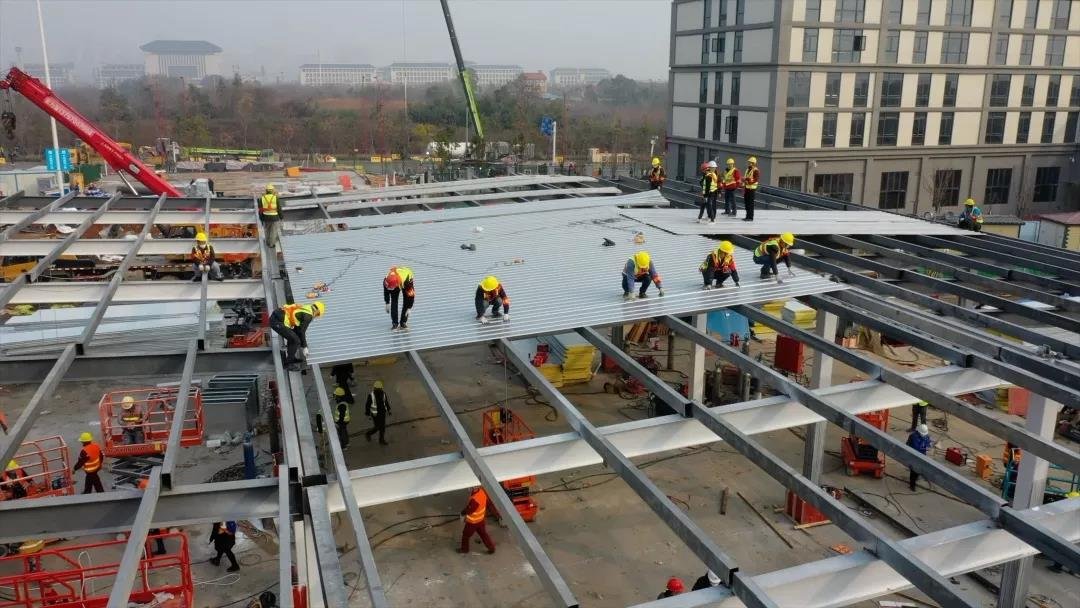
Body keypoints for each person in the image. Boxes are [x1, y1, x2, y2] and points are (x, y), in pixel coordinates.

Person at [268, 301, 326, 369]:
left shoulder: (307, 307)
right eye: (318, 314)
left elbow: (298, 329)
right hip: (277, 321)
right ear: (317, 311)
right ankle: (288, 364)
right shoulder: (308, 316)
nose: (316, 316)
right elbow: (302, 332)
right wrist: (305, 347)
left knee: (294, 337)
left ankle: (291, 358)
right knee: (295, 341)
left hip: (277, 317)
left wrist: (303, 343)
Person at [459, 487, 501, 554]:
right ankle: (491, 548)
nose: (468, 488)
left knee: (465, 535)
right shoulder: (481, 492)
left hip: (472, 522)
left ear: (473, 488)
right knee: (483, 534)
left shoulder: (475, 500)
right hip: (480, 520)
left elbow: (469, 510)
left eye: (470, 487)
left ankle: (464, 549)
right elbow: (488, 503)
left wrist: (462, 513)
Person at [137, 478, 168, 555]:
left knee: (144, 536)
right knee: (156, 533)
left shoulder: (143, 486)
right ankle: (161, 549)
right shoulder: (150, 482)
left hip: (148, 515)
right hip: (154, 514)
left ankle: (148, 554)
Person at [383, 266, 416, 331]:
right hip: (396, 279)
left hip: (405, 279)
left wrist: (409, 307)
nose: (390, 290)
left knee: (406, 302)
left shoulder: (407, 281)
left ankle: (403, 323)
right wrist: (387, 302)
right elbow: (386, 291)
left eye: (391, 288)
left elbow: (411, 295)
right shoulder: (386, 280)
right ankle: (395, 324)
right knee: (394, 301)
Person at [364, 380, 391, 445]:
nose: (379, 389)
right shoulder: (371, 395)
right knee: (377, 427)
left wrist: (388, 410)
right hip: (375, 414)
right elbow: (368, 405)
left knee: (382, 428)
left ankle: (381, 440)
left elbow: (386, 402)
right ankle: (368, 434)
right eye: (378, 388)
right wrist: (368, 413)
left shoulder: (383, 394)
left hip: (382, 413)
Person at [906, 424, 932, 491]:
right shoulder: (913, 437)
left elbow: (928, 442)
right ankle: (912, 485)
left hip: (922, 456)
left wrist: (930, 445)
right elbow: (916, 447)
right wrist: (925, 447)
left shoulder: (926, 436)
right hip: (914, 456)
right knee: (913, 471)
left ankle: (916, 477)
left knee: (919, 470)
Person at [259, 184, 282, 248]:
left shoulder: (262, 198)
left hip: (266, 217)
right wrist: (281, 216)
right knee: (273, 231)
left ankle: (267, 242)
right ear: (272, 190)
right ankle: (271, 244)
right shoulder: (275, 198)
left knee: (267, 230)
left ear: (266, 191)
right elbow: (279, 208)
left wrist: (261, 218)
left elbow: (260, 209)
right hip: (274, 217)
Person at [742, 156, 760, 221]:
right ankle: (747, 216)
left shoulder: (756, 171)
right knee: (746, 203)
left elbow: (755, 180)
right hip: (747, 188)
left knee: (750, 203)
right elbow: (745, 177)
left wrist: (747, 180)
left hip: (752, 189)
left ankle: (750, 217)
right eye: (749, 162)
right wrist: (744, 182)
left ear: (754, 163)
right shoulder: (747, 169)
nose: (749, 163)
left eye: (751, 162)